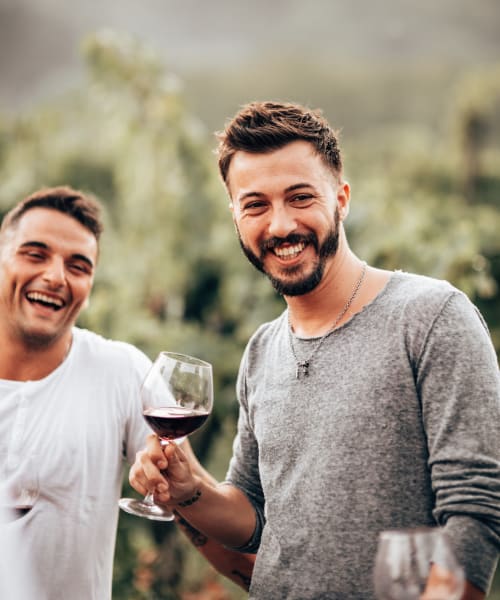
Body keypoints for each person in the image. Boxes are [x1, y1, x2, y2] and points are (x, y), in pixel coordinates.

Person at [130, 101, 500, 599]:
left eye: (300, 197)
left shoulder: (431, 316)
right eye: (256, 204)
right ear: (236, 217)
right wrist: (188, 493)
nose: (280, 225)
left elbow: (475, 514)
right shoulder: (262, 350)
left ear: (341, 198)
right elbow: (254, 518)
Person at [0, 186, 254, 599]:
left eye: (78, 265)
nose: (55, 276)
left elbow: (192, 500)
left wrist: (277, 583)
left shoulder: (120, 372)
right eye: (35, 254)